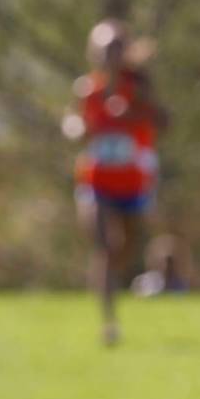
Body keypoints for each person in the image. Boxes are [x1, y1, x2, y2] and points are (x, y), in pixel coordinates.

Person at [62, 18, 167, 345]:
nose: (108, 55)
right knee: (105, 245)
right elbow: (74, 124)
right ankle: (109, 323)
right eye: (103, 48)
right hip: (97, 181)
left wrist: (133, 113)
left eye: (115, 48)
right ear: (93, 52)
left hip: (133, 184)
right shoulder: (87, 90)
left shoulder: (139, 87)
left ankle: (109, 282)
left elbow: (163, 121)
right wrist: (76, 129)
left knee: (127, 248)